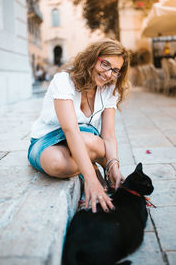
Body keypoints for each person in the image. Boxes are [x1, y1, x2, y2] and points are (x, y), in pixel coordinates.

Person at [28, 39, 130, 213]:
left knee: (89, 140)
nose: (108, 74)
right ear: (93, 57)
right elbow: (70, 130)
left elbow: (109, 135)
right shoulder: (64, 80)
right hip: (48, 139)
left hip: (86, 138)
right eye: (105, 64)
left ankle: (100, 165)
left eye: (115, 70)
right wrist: (90, 177)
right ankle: (92, 164)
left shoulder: (110, 90)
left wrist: (113, 165)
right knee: (55, 163)